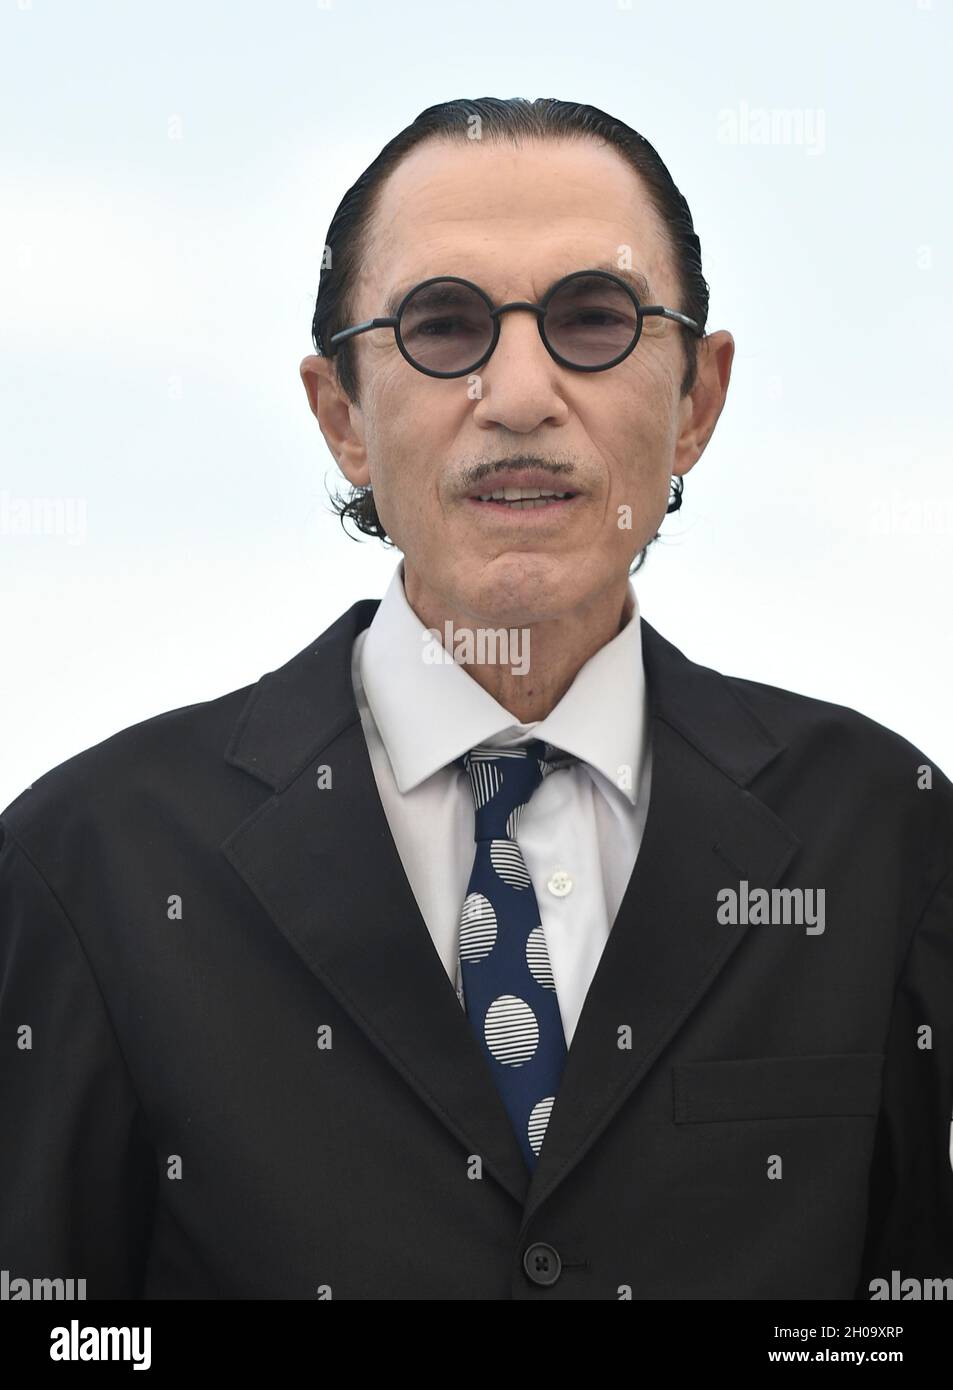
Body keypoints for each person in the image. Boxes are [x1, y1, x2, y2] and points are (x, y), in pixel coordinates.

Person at [1, 97, 951, 1302]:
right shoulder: (87, 864)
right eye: (442, 325)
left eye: (593, 319)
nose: (517, 394)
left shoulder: (887, 832)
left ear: (696, 404)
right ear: (340, 414)